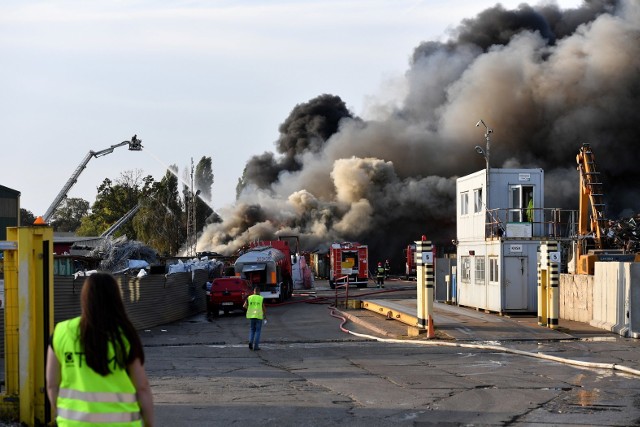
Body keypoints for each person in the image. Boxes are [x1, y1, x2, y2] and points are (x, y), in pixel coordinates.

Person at [46, 272, 154, 427]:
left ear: (85, 298)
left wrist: (64, 416)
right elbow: (142, 387)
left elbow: (52, 384)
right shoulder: (124, 335)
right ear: (116, 299)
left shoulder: (61, 332)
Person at [243, 286, 266, 350]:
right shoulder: (261, 298)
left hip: (252, 316)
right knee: (258, 331)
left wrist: (250, 309)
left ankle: (250, 342)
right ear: (259, 292)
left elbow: (244, 305)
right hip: (258, 316)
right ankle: (256, 347)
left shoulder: (249, 297)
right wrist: (265, 316)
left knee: (252, 330)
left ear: (254, 291)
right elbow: (264, 308)